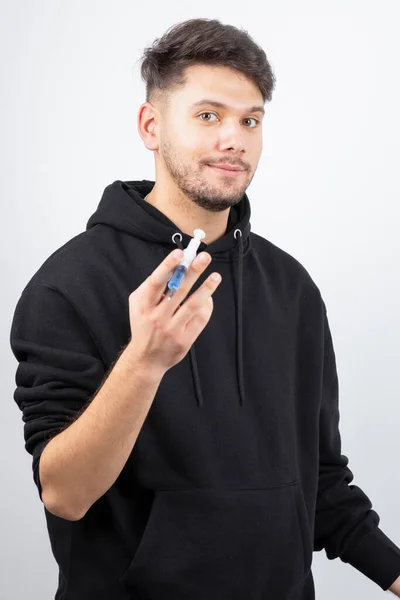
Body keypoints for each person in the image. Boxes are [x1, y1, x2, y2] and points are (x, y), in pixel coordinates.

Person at [9, 17, 400, 600]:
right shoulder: (67, 287)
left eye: (251, 120)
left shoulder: (292, 288)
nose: (234, 139)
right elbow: (65, 494)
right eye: (208, 115)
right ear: (151, 126)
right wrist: (143, 362)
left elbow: (321, 485)